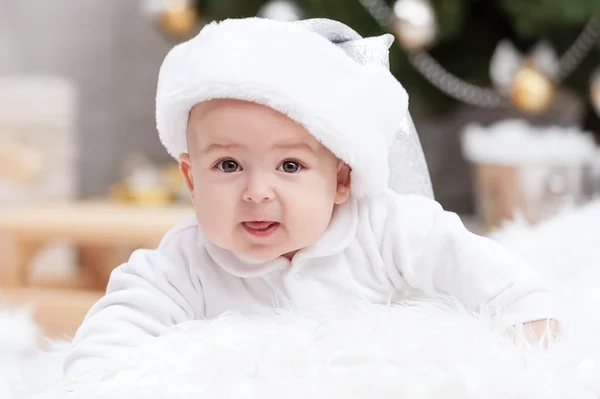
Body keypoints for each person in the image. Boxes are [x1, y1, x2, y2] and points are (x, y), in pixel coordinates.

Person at [63, 17, 559, 382]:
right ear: (192, 180)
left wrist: (525, 324)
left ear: (341, 179)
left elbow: (482, 270)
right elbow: (113, 332)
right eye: (228, 166)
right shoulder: (185, 262)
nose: (257, 192)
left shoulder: (385, 227)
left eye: (290, 166)